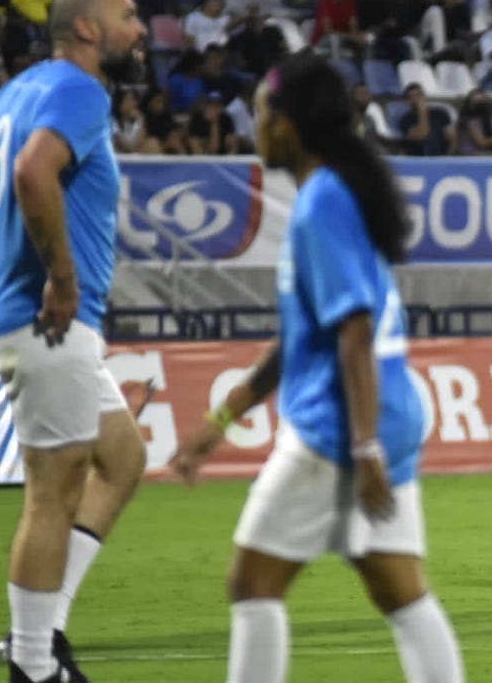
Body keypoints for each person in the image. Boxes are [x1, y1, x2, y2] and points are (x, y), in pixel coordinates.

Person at [168, 52, 465, 683]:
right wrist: (223, 418)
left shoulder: (322, 203)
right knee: (401, 593)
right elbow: (306, 338)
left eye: (263, 114)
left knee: (252, 582)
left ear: (289, 125)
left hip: (338, 428)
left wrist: (362, 447)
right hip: (382, 417)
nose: (256, 128)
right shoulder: (338, 193)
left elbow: (354, 331)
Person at [0, 0, 148, 681]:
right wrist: (62, 278)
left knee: (122, 458)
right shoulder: (79, 92)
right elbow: (34, 172)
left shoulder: (19, 89)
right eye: (129, 18)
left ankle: (44, 628)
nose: (141, 30)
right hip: (50, 323)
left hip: (31, 323)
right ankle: (33, 663)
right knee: (51, 492)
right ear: (91, 30)